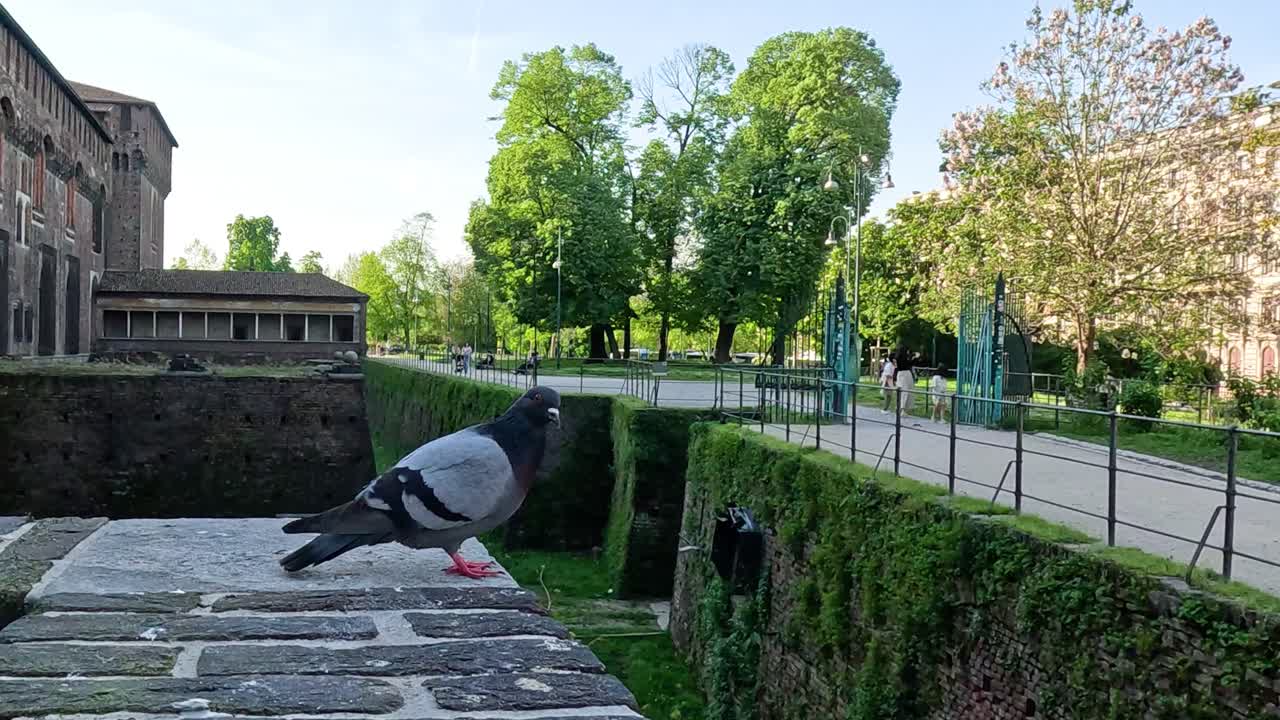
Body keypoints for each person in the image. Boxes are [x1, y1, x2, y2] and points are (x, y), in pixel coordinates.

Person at [895, 346, 916, 413]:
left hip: (900, 374)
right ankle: (903, 409)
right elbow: (909, 364)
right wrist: (914, 358)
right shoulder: (904, 358)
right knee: (906, 391)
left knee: (903, 391)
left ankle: (901, 408)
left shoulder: (897, 358)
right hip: (906, 374)